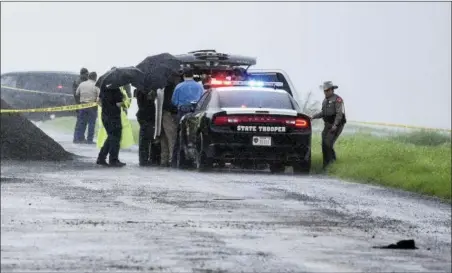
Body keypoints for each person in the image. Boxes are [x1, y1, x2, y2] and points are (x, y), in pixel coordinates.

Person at [311, 81, 347, 169]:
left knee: (328, 143)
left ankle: (332, 162)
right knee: (324, 144)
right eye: (324, 91)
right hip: (327, 125)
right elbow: (323, 113)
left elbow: (339, 114)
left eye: (327, 90)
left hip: (336, 125)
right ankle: (325, 165)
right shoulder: (325, 101)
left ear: (332, 90)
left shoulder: (337, 99)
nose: (325, 92)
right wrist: (313, 117)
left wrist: (335, 125)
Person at [96, 86, 126, 167]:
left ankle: (101, 157)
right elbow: (119, 104)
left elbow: (99, 102)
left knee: (111, 137)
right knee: (116, 138)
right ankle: (113, 159)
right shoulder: (116, 90)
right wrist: (123, 100)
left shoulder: (103, 89)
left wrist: (107, 106)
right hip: (114, 116)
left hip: (105, 115)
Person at [159, 74, 181, 167]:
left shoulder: (165, 86)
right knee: (172, 137)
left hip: (163, 114)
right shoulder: (172, 87)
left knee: (164, 138)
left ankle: (164, 160)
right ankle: (172, 160)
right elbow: (170, 103)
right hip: (169, 114)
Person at [136, 88, 160, 166]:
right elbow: (148, 102)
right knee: (148, 138)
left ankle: (144, 159)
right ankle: (147, 159)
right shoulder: (145, 91)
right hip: (148, 117)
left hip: (143, 116)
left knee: (144, 139)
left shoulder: (140, 89)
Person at [74, 72, 100, 144]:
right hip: (92, 106)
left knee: (82, 122)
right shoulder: (96, 85)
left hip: (82, 106)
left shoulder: (82, 84)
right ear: (95, 77)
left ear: (88, 77)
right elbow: (99, 96)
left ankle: (80, 139)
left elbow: (77, 93)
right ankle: (89, 140)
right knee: (91, 123)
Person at [72, 67, 89, 143]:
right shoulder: (78, 82)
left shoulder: (82, 81)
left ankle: (81, 138)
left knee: (83, 122)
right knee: (80, 122)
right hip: (80, 104)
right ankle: (76, 138)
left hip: (83, 104)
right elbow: (76, 94)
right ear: (83, 74)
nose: (87, 76)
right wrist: (80, 103)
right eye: (86, 74)